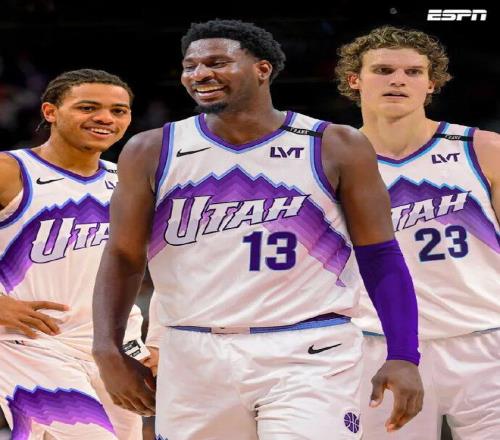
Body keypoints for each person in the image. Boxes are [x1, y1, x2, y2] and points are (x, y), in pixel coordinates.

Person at [92, 19, 424, 440]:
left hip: (309, 350)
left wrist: (404, 352)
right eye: (191, 66)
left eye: (217, 63)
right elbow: (123, 255)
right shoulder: (151, 149)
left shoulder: (334, 144)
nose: (200, 74)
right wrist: (107, 349)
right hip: (192, 354)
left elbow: (380, 254)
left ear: (262, 69)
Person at [335, 26, 500, 440]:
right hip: (377, 344)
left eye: (413, 72)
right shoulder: (331, 159)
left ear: (431, 84)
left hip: (486, 341)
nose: (398, 80)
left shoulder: (482, 149)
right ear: (354, 80)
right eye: (383, 70)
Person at [0, 69, 149, 439]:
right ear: (50, 111)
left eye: (118, 111)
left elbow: (171, 266)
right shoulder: (11, 170)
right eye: (88, 107)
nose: (105, 118)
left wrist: (157, 341)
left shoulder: (129, 181)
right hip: (29, 342)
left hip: (113, 345)